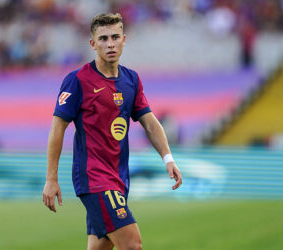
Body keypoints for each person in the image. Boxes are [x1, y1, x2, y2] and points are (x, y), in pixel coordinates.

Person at [42, 13, 182, 250]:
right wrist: (51, 178)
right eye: (103, 38)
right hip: (94, 179)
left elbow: (149, 122)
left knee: (100, 248)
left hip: (119, 178)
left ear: (124, 40)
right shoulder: (77, 80)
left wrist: (168, 158)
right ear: (93, 44)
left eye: (115, 37)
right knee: (132, 245)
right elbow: (58, 127)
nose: (110, 44)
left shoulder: (131, 80)